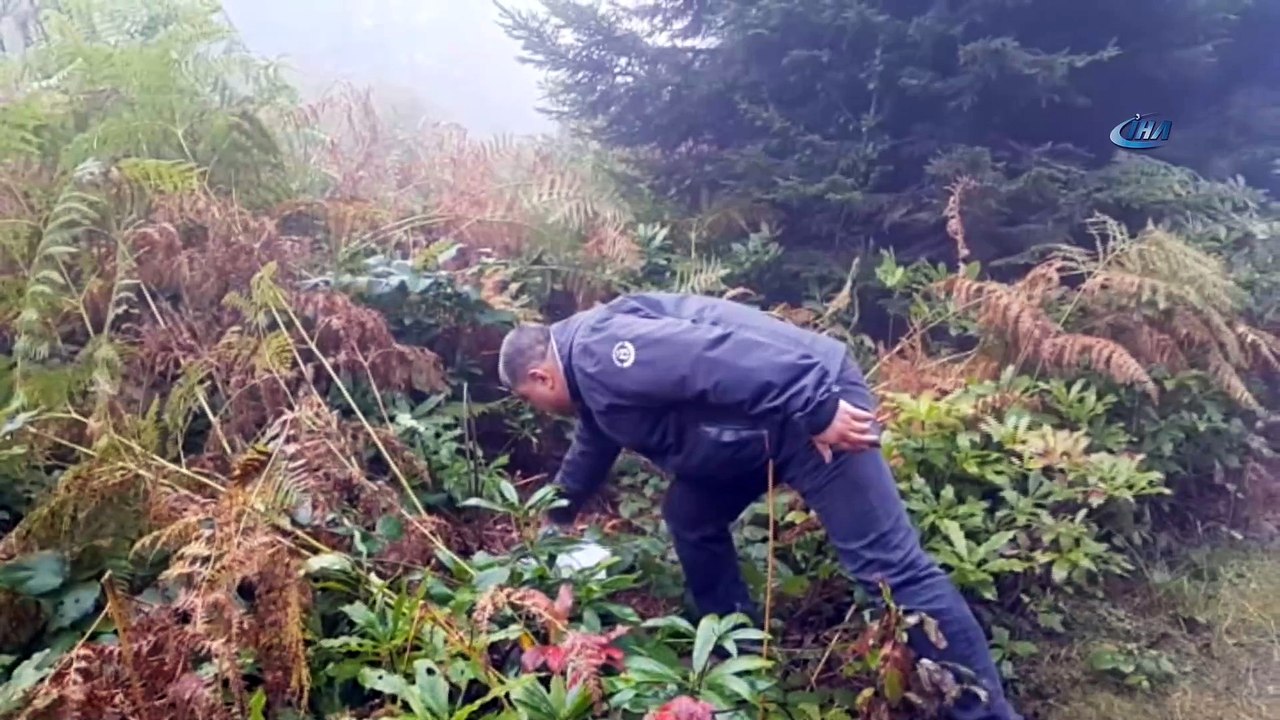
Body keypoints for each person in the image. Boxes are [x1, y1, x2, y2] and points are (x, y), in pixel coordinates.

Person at [497, 291, 1023, 720]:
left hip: (809, 406)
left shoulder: (600, 351)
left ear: (541, 377)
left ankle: (986, 714)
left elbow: (711, 356)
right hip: (755, 430)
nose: (538, 411)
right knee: (690, 513)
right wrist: (556, 515)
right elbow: (595, 441)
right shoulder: (591, 377)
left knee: (889, 570)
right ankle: (735, 653)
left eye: (528, 399)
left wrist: (818, 408)